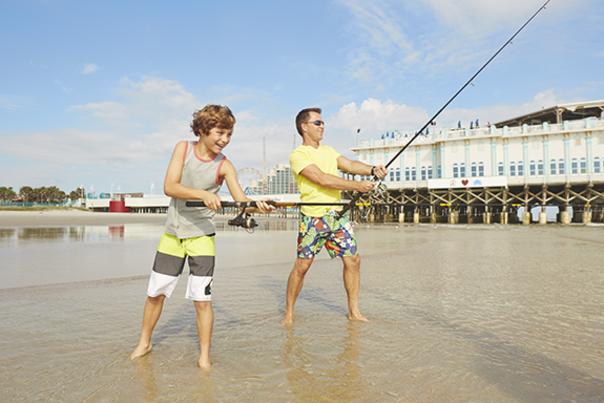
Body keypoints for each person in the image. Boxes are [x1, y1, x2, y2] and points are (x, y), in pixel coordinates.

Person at [129, 105, 272, 369]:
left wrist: (257, 204)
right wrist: (203, 194)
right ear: (203, 130)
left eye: (229, 134)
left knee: (202, 300)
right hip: (173, 234)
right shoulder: (182, 149)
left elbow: (241, 200)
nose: (225, 140)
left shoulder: (225, 165)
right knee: (155, 294)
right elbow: (170, 186)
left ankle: (204, 356)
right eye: (220, 133)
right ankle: (144, 342)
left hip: (202, 237)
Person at [281, 107, 387, 326]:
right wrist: (357, 186)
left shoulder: (328, 150)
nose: (323, 126)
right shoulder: (298, 155)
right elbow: (321, 179)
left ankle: (354, 311)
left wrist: (372, 169)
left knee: (353, 260)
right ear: (304, 127)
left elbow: (349, 164)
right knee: (302, 266)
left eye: (323, 123)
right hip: (313, 217)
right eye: (318, 123)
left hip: (337, 216)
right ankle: (289, 313)